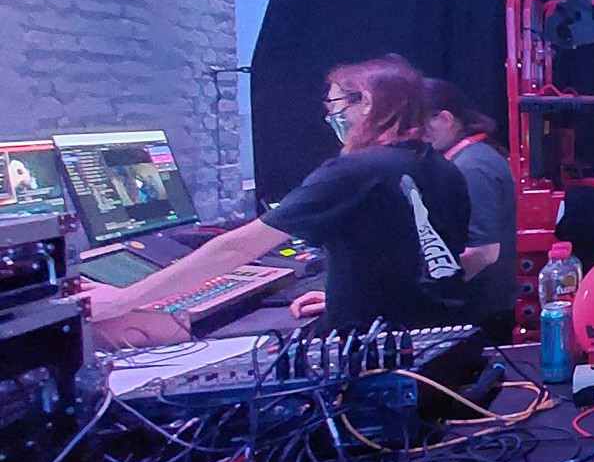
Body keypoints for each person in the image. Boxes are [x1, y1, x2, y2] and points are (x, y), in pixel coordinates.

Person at [82, 55, 474, 334]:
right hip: (437, 336)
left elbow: (236, 249)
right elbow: (413, 263)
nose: (330, 117)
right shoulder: (443, 168)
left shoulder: (354, 171)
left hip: (372, 354)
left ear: (366, 104)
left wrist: (123, 300)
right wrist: (345, 297)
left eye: (335, 103)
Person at [425, 78, 518, 344]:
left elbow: (483, 252)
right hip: (481, 308)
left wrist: (426, 292)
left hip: (481, 313)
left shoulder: (471, 168)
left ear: (444, 119)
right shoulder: (471, 158)